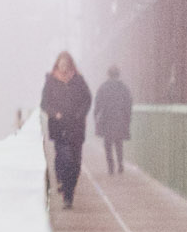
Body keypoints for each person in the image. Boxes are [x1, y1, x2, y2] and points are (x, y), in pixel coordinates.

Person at [40, 52, 92, 208]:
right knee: (64, 157)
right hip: (59, 126)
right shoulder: (51, 81)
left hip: (76, 126)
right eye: (61, 64)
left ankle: (69, 190)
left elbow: (87, 99)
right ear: (57, 64)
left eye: (66, 64)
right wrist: (54, 113)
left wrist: (80, 114)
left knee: (75, 163)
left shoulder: (78, 80)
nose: (63, 67)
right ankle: (65, 191)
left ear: (70, 65)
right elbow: (44, 103)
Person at [96, 65, 135, 174]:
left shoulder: (103, 87)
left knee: (108, 144)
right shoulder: (124, 88)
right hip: (120, 119)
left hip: (107, 119)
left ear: (108, 74)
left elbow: (98, 104)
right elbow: (128, 104)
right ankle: (120, 164)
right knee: (119, 143)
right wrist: (128, 118)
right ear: (118, 75)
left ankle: (110, 166)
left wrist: (96, 118)